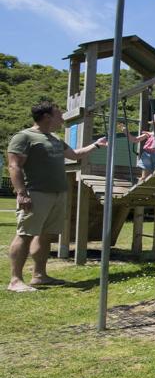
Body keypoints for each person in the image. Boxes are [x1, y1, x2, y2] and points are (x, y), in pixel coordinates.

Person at [7, 100, 107, 292]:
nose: (62, 118)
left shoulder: (54, 138)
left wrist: (96, 145)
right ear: (47, 117)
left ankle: (39, 276)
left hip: (57, 194)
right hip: (35, 193)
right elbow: (14, 166)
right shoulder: (24, 137)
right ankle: (15, 280)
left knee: (45, 236)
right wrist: (22, 193)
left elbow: (75, 155)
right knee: (25, 234)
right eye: (58, 115)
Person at [124, 113, 155, 181]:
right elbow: (135, 140)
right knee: (145, 172)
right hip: (147, 154)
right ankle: (143, 179)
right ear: (153, 126)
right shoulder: (149, 134)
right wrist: (126, 133)